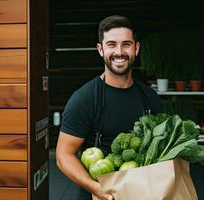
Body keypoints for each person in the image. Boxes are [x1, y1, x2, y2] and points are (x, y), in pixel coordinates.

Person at [56, 15, 162, 200]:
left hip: (144, 193)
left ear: (136, 48)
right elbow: (63, 155)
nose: (119, 52)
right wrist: (95, 188)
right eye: (112, 44)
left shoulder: (150, 98)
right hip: (98, 194)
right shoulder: (85, 99)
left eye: (126, 44)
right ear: (100, 49)